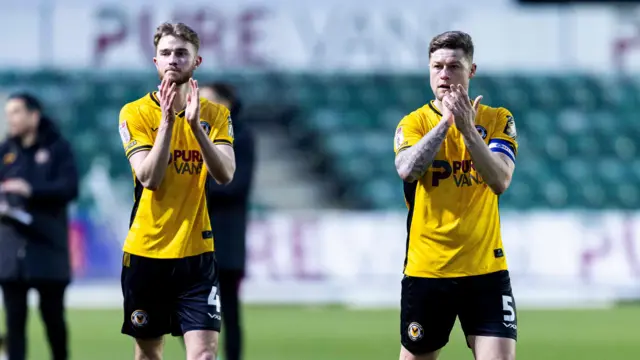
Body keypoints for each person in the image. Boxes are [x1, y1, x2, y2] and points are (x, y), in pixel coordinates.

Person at [393, 31, 518, 360]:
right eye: (437, 66)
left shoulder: (496, 119)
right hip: (429, 271)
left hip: (486, 271)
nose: (444, 74)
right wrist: (447, 124)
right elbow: (407, 169)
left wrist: (466, 129)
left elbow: (500, 179)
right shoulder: (415, 122)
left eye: (454, 66)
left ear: (471, 70)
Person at [118, 22, 236, 360]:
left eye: (182, 53)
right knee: (149, 353)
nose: (173, 59)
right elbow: (149, 178)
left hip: (196, 255)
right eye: (166, 53)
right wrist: (168, 123)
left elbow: (225, 173)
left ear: (196, 61)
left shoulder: (216, 114)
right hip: (147, 252)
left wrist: (197, 129)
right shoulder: (135, 113)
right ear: (155, 61)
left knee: (204, 354)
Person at [0, 93, 79, 360]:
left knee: (54, 321)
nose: (11, 118)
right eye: (9, 112)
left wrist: (30, 190)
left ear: (34, 115)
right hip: (12, 252)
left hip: (47, 250)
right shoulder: (5, 151)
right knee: (14, 326)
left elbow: (70, 188)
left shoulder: (58, 148)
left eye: (17, 112)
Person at [200, 83, 255, 360]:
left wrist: (196, 185)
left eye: (208, 100)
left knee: (229, 311)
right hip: (197, 238)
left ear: (227, 104)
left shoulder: (242, 137)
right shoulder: (196, 133)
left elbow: (236, 185)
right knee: (189, 309)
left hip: (227, 238)